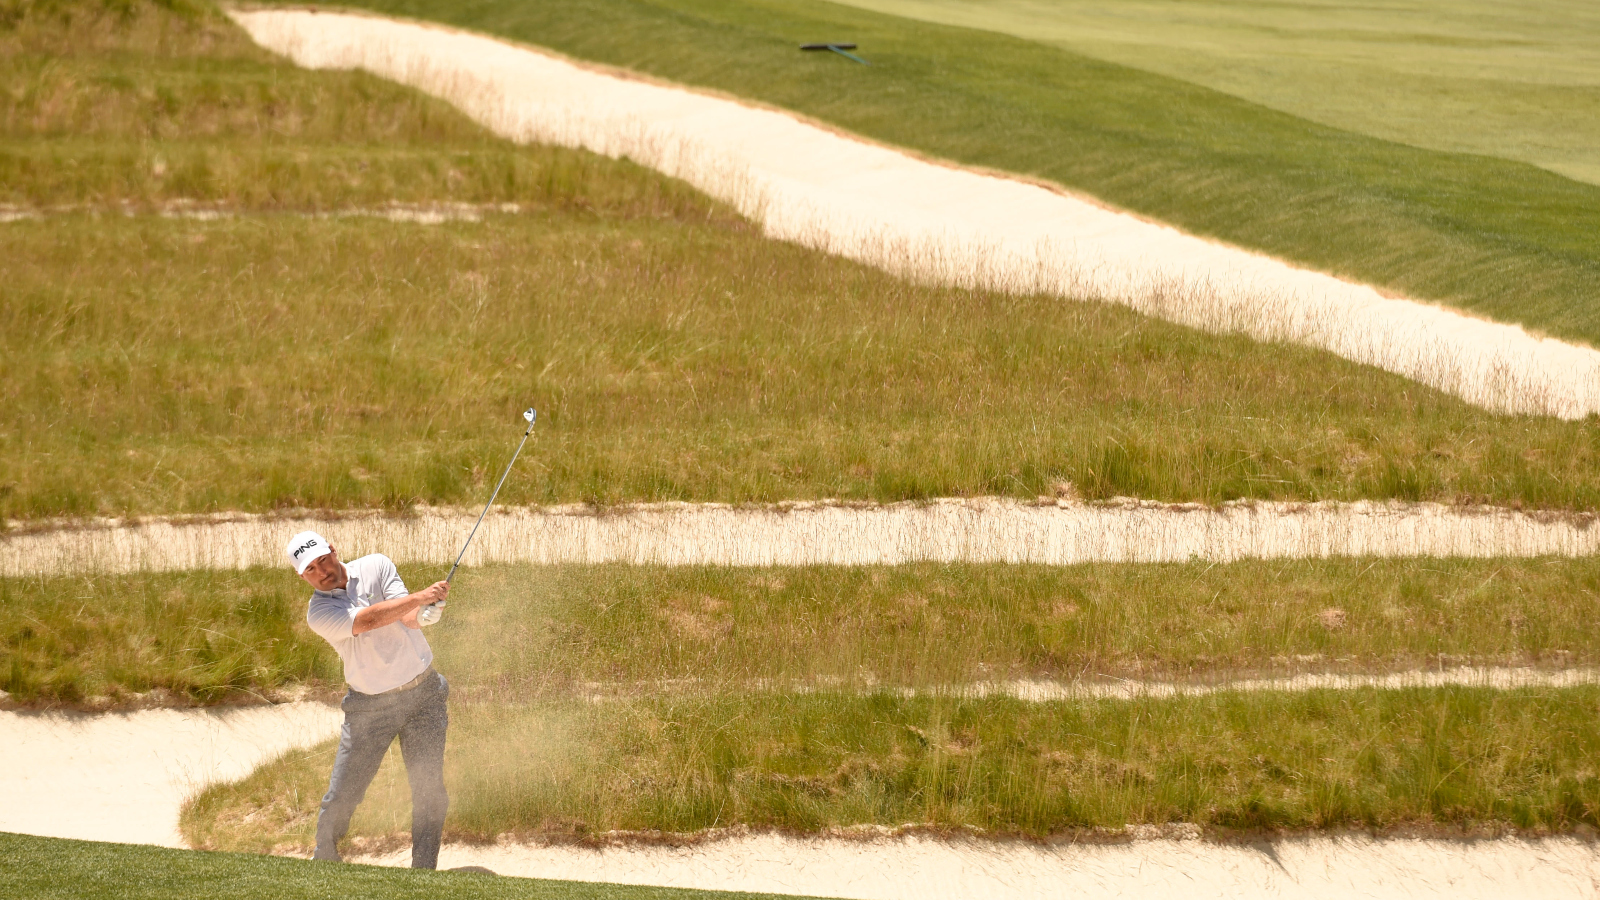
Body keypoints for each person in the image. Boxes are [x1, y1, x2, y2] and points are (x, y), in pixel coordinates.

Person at [285, 529, 451, 869]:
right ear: (301, 576)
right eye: (310, 570)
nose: (322, 571)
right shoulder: (318, 612)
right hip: (369, 708)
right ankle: (325, 861)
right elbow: (369, 620)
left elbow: (406, 617)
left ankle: (423, 875)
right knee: (344, 792)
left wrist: (424, 614)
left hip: (424, 696)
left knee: (429, 789)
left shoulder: (376, 565)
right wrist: (420, 598)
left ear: (333, 549)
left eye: (322, 560)